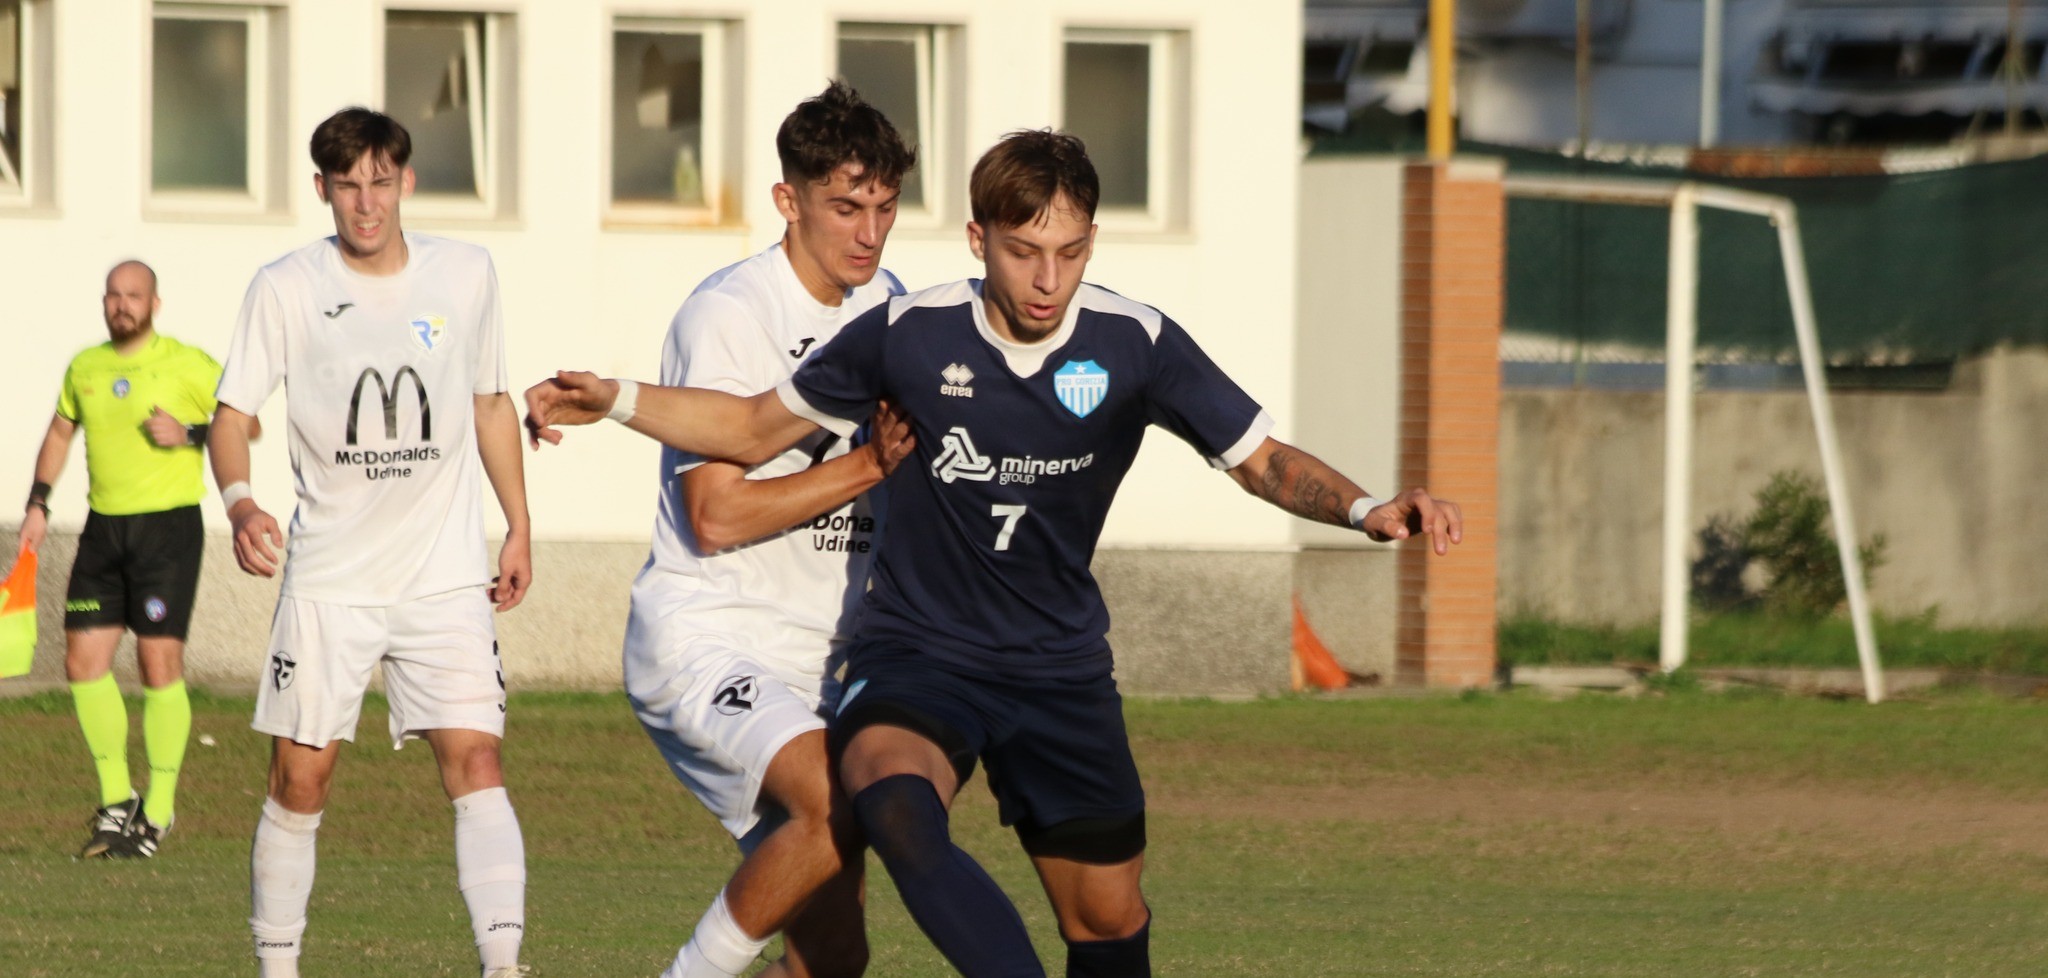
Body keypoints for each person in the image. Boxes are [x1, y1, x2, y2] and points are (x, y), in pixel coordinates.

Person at [525, 129, 1463, 978]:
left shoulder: (1134, 343)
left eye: (1071, 251)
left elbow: (1259, 459)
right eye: (1025, 253)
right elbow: (750, 425)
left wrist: (1369, 507)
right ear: (979, 242)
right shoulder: (907, 334)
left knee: (1104, 920)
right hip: (919, 653)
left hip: (1059, 667)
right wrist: (614, 398)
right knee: (885, 798)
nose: (1049, 279)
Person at [208, 107, 534, 978]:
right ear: (322, 188)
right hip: (330, 582)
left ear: (406, 182)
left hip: (444, 574)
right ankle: (279, 969)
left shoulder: (466, 274)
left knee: (477, 757)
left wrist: (519, 526)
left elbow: (491, 402)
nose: (366, 203)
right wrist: (242, 505)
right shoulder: (283, 287)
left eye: (380, 182)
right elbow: (231, 417)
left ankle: (503, 967)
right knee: (299, 783)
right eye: (347, 185)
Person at [627, 81, 915, 978]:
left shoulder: (892, 305)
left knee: (835, 955)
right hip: (709, 639)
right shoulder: (731, 313)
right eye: (844, 207)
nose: (868, 233)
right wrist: (865, 467)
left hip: (829, 654)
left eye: (884, 208)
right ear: (788, 202)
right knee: (836, 799)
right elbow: (715, 515)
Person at [18, 259, 227, 860]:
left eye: (133, 296)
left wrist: (190, 434)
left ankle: (158, 813)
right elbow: (60, 433)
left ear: (154, 303)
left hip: (168, 532)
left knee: (158, 665)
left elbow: (247, 424)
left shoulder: (187, 363)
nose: (121, 305)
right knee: (83, 662)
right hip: (102, 530)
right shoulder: (85, 367)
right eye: (113, 295)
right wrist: (38, 504)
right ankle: (117, 802)